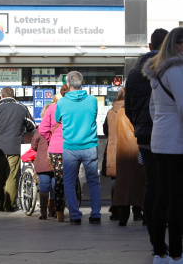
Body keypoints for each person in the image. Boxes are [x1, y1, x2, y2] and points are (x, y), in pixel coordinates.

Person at [143, 27, 183, 264]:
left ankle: (160, 251)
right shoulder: (177, 68)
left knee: (162, 197)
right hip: (176, 143)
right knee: (177, 199)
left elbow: (152, 109)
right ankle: (177, 253)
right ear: (178, 45)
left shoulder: (158, 71)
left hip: (160, 141)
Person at [125, 28, 168, 246]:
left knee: (152, 185)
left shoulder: (133, 72)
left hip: (144, 136)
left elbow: (128, 109)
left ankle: (155, 240)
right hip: (168, 135)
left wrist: (140, 127)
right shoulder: (168, 67)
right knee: (170, 184)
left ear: (150, 46)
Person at [55, 71, 101, 225]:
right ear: (82, 83)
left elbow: (57, 119)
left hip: (70, 147)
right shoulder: (92, 100)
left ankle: (75, 216)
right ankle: (95, 214)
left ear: (68, 85)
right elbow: (93, 117)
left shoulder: (62, 102)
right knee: (93, 181)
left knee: (68, 182)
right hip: (90, 146)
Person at [0, 86, 35, 212]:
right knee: (12, 176)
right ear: (13, 96)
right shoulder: (22, 108)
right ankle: (10, 205)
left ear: (1, 96)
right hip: (14, 148)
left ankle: (0, 204)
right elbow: (31, 126)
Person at [112, 87, 146, 226]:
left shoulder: (119, 112)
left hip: (123, 153)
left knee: (123, 187)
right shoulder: (140, 111)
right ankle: (142, 213)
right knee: (141, 185)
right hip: (138, 152)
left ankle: (122, 218)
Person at [39, 91, 65, 222]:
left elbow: (42, 129)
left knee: (59, 181)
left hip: (56, 149)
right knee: (72, 180)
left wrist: (51, 138)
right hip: (73, 146)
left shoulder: (52, 108)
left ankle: (58, 212)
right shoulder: (73, 106)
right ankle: (73, 210)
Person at [102, 88, 125, 221]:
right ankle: (138, 210)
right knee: (134, 179)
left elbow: (105, 131)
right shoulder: (131, 111)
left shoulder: (111, 112)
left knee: (115, 181)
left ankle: (115, 209)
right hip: (130, 149)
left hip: (113, 149)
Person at [31, 104, 55, 220]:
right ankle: (54, 210)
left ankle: (43, 212)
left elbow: (34, 145)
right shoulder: (59, 127)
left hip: (43, 162)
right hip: (57, 161)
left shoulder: (40, 128)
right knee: (56, 186)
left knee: (44, 186)